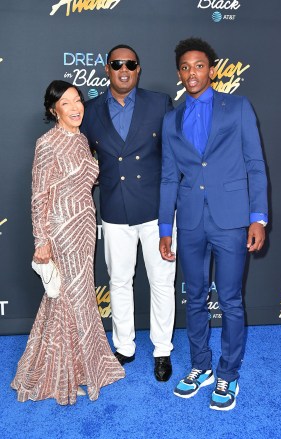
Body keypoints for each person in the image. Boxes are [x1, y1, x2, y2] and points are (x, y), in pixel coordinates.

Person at [159, 38, 268, 410]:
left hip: (232, 219)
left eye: (200, 66)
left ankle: (229, 374)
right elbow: (169, 178)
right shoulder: (171, 119)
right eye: (186, 67)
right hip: (189, 221)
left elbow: (255, 164)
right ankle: (200, 366)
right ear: (179, 73)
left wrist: (258, 218)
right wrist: (164, 229)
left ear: (212, 70)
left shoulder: (237, 107)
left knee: (232, 300)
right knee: (194, 299)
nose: (193, 72)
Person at [11, 80, 125, 405]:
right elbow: (39, 196)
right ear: (53, 110)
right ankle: (63, 372)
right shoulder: (47, 144)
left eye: (78, 101)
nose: (76, 108)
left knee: (76, 297)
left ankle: (79, 366)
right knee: (69, 298)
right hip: (61, 228)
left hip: (86, 224)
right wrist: (41, 241)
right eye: (66, 103)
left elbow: (87, 179)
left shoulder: (83, 139)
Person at [81, 44, 176, 382]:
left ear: (139, 69)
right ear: (107, 68)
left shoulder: (160, 103)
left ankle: (162, 350)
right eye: (117, 63)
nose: (124, 69)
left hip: (155, 211)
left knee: (162, 282)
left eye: (130, 64)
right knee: (119, 281)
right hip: (115, 212)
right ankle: (124, 346)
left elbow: (173, 158)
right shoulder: (89, 111)